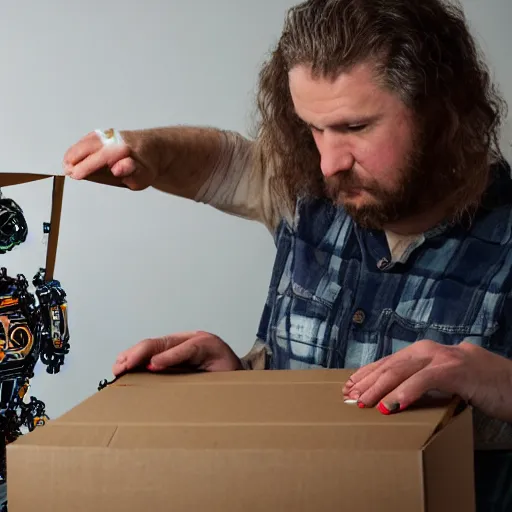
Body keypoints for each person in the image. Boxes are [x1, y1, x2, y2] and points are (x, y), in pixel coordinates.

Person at [64, 0, 512, 509]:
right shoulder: (311, 194)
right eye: (313, 128)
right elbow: (235, 157)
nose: (328, 162)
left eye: (355, 128)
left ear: (438, 110)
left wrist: (499, 382)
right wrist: (243, 389)